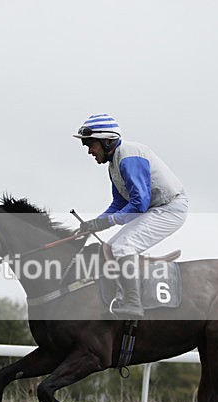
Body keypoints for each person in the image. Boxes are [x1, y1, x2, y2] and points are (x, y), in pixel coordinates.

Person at [74, 114, 188, 319]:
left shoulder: (128, 157)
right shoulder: (114, 164)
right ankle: (123, 295)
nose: (90, 151)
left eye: (91, 145)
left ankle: (134, 303)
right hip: (155, 208)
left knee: (123, 247)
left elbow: (139, 204)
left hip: (170, 208)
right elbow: (119, 204)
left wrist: (104, 222)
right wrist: (94, 224)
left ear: (107, 141)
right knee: (109, 248)